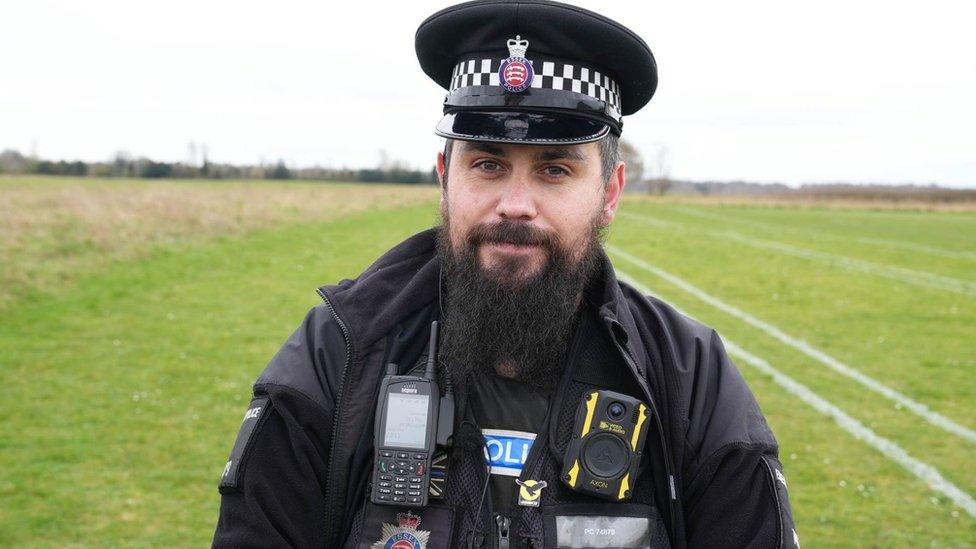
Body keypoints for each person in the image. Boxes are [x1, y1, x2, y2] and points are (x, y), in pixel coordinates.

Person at [212, 1, 797, 547]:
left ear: (609, 193)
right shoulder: (338, 355)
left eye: (555, 170)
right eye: (488, 164)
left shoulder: (685, 376)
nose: (515, 204)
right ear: (445, 178)